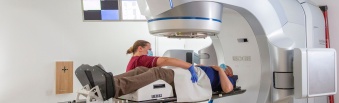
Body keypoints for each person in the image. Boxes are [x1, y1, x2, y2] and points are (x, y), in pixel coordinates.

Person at [87, 64, 236, 100]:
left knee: (157, 72)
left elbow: (228, 89)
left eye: (227, 67)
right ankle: (108, 82)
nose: (224, 67)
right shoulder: (215, 69)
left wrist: (219, 69)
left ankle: (116, 88)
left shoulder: (228, 78)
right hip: (184, 73)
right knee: (140, 69)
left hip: (189, 81)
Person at [125, 40, 198, 83]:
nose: (151, 52)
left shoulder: (133, 60)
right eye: (149, 49)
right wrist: (190, 66)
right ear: (140, 48)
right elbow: (166, 60)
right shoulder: (141, 59)